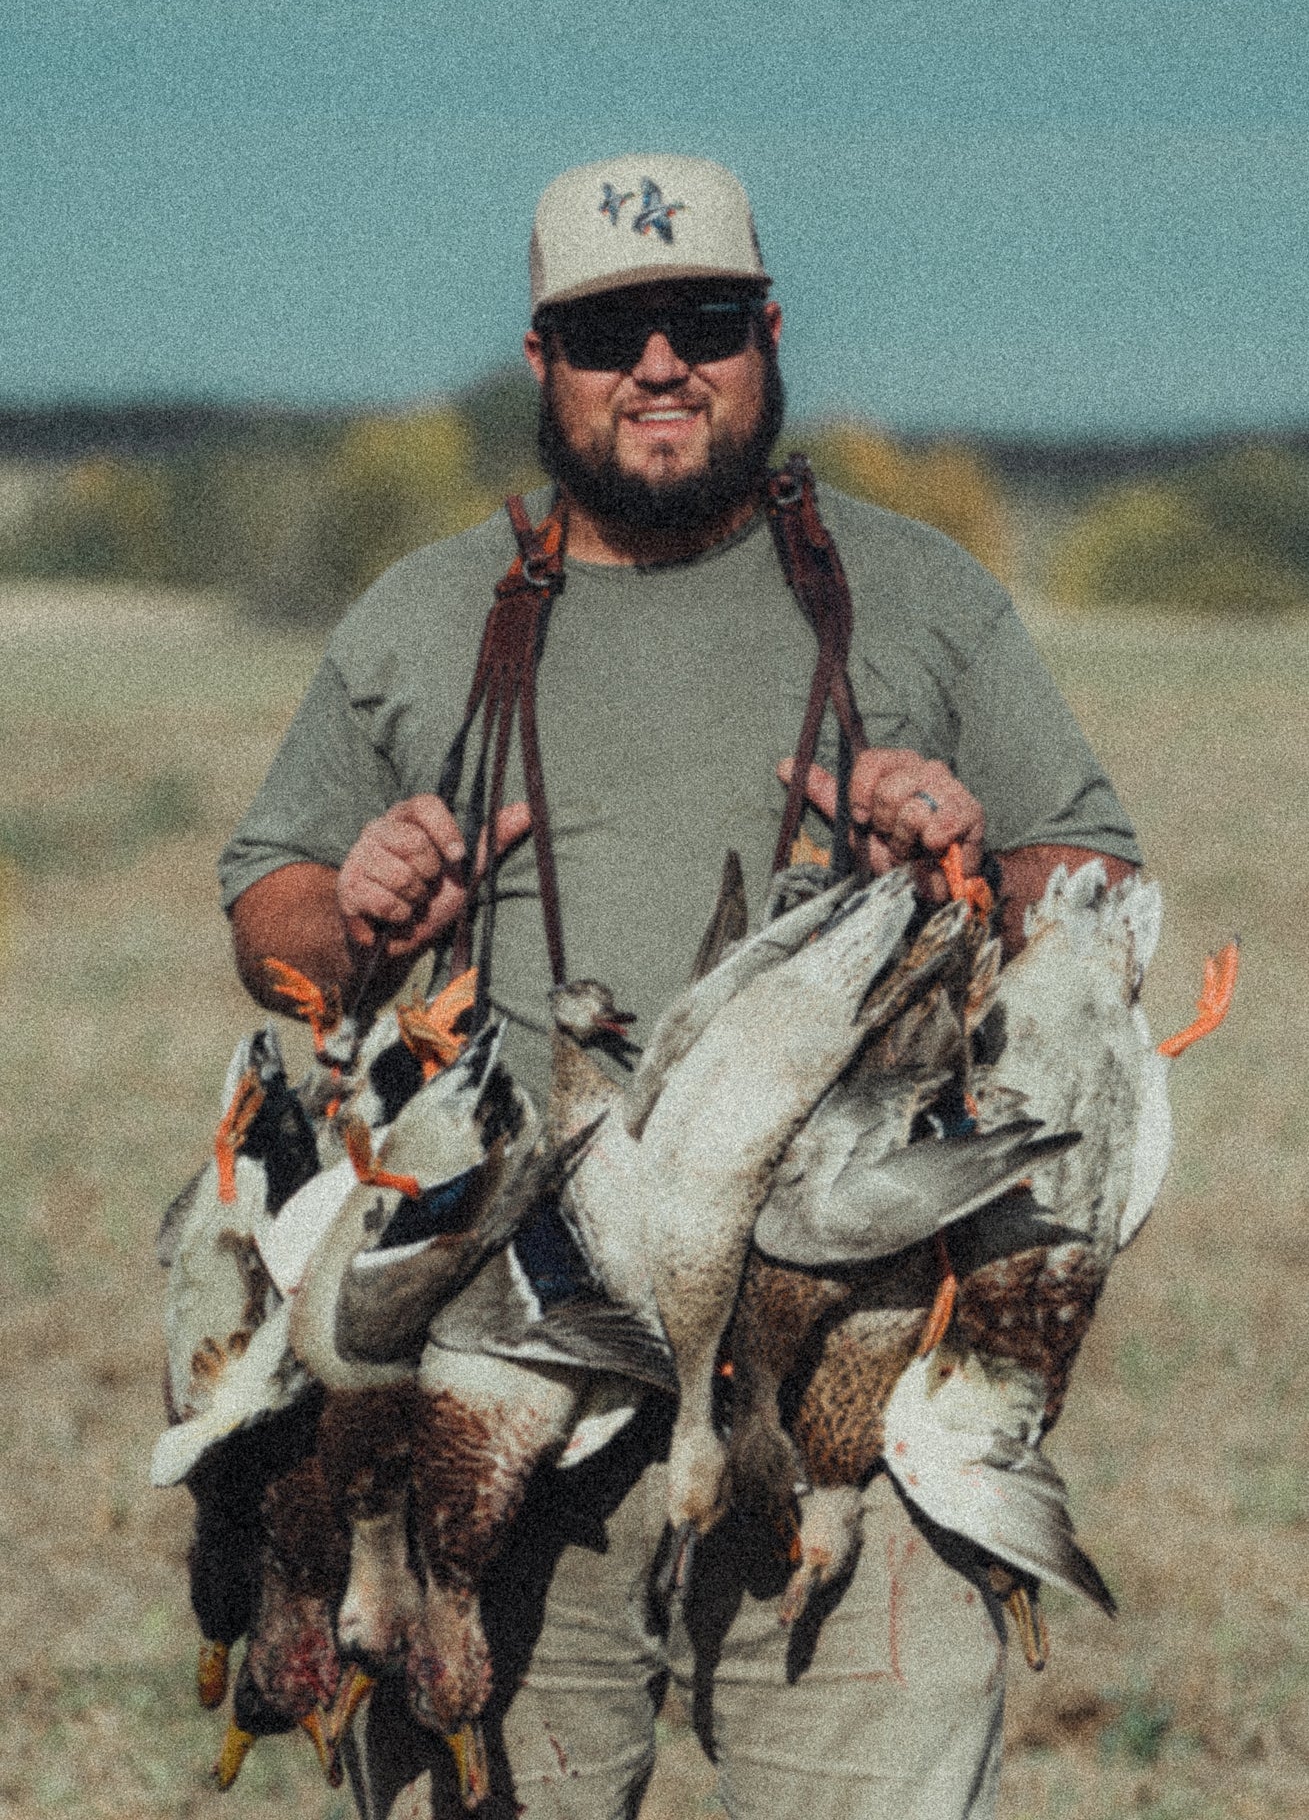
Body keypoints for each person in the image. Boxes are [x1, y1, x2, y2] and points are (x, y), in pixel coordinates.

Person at [220, 152, 1140, 1820]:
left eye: (700, 320)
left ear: (767, 332)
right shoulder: (424, 618)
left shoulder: (921, 598)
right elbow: (266, 908)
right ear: (539, 363)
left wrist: (964, 847)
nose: (658, 364)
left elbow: (1099, 892)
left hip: (845, 1377)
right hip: (499, 1377)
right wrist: (350, 915)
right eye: (607, 332)